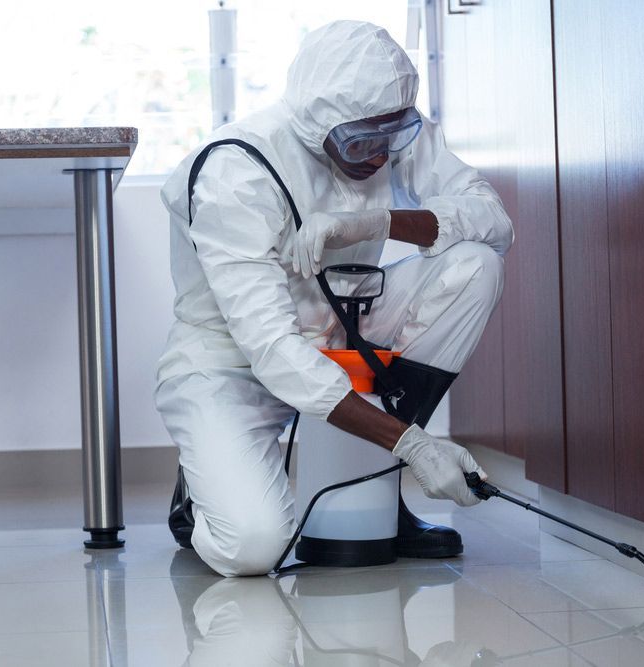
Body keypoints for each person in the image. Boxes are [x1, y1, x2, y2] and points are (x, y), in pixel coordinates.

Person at [155, 20, 513, 577]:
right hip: (233, 363)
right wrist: (416, 446)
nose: (377, 158)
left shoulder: (385, 127)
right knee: (253, 546)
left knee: (474, 266)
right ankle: (197, 495)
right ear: (317, 121)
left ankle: (372, 486)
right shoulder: (236, 171)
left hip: (346, 334)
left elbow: (494, 221)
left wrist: (380, 220)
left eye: (390, 139)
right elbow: (271, 348)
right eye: (359, 141)